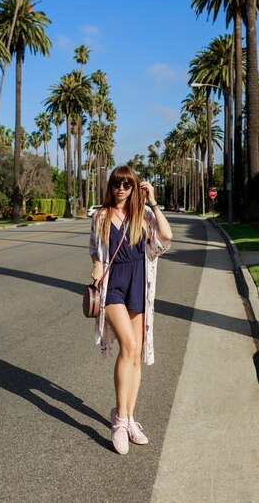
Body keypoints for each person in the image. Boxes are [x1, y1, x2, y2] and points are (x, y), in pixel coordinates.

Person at [89, 165, 172, 454]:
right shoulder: (100, 216)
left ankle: (128, 417)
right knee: (129, 345)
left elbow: (166, 237)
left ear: (135, 187)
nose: (121, 189)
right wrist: (97, 269)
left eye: (127, 184)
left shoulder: (144, 216)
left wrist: (153, 201)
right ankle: (119, 423)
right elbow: (96, 253)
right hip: (113, 287)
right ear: (110, 187)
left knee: (136, 354)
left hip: (139, 283)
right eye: (116, 184)